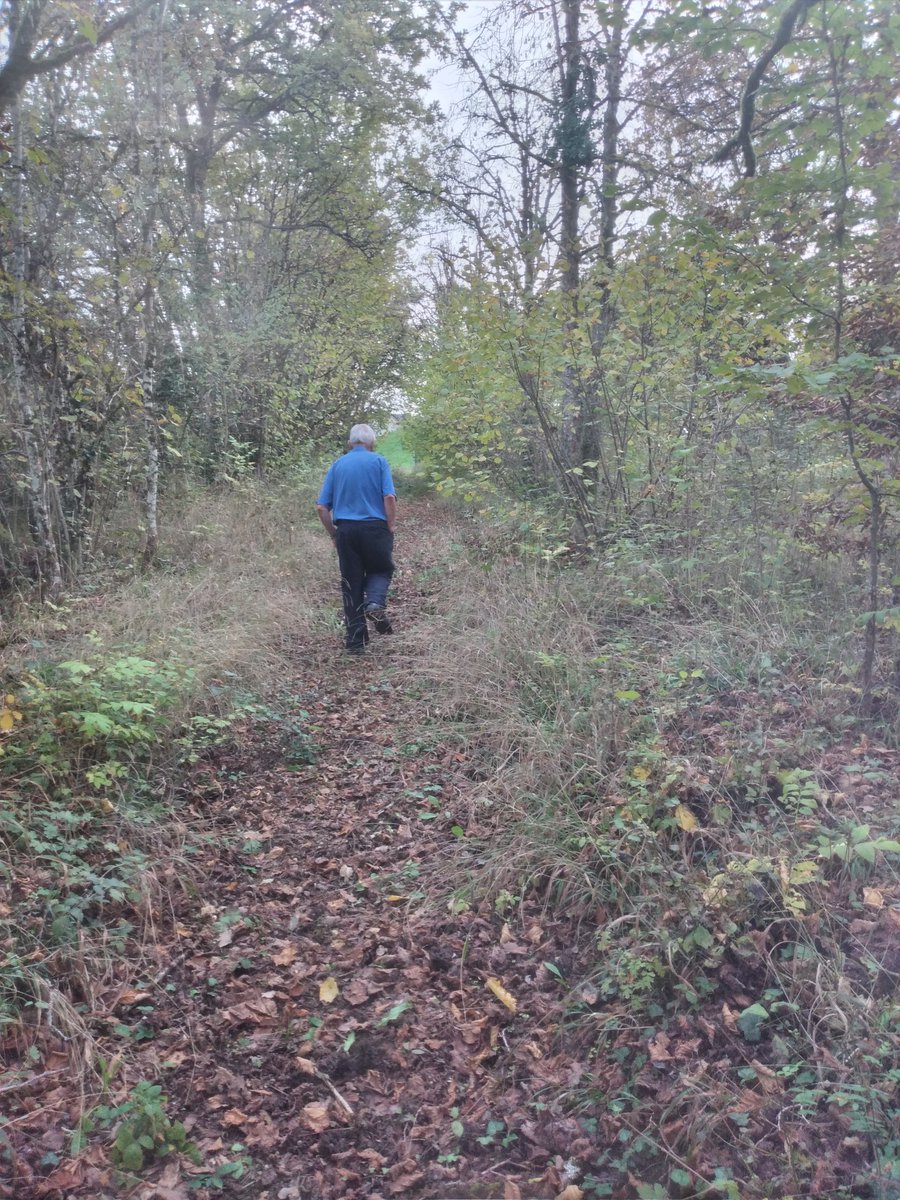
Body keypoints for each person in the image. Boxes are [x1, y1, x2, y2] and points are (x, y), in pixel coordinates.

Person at [316, 424, 397, 653]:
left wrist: (333, 533)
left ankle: (355, 642)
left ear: (350, 443)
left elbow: (322, 508)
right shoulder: (379, 461)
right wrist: (390, 525)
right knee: (381, 569)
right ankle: (374, 602)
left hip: (346, 531)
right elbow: (389, 497)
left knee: (351, 583)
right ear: (372, 443)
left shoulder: (337, 465)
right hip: (375, 528)